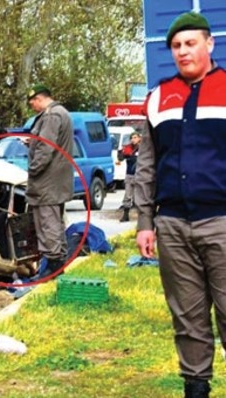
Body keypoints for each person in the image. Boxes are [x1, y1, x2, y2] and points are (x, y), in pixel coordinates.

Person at [134, 12, 225, 398]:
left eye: (190, 43)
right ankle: (196, 387)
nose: (183, 51)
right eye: (176, 46)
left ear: (209, 44)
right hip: (172, 224)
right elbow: (147, 163)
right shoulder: (157, 98)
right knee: (187, 316)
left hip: (221, 220)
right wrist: (144, 221)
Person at [26, 84, 74, 278]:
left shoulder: (51, 115)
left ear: (39, 99)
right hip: (57, 181)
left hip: (47, 182)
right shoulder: (61, 113)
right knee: (56, 223)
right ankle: (57, 265)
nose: (32, 106)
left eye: (32, 102)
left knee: (48, 224)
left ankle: (53, 269)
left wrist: (33, 168)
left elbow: (46, 148)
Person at [117, 132, 141, 222]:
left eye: (135, 137)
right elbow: (121, 158)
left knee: (140, 196)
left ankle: (142, 217)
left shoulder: (143, 148)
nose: (133, 140)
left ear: (139, 138)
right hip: (129, 174)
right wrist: (120, 152)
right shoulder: (128, 148)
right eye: (132, 138)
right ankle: (125, 215)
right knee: (127, 195)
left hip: (140, 175)